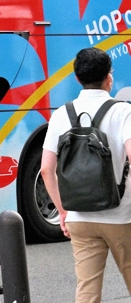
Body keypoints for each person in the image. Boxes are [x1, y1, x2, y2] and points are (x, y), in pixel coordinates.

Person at [41, 48, 131, 303]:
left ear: (78, 79)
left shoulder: (61, 114)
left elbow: (47, 168)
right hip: (122, 216)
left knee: (87, 291)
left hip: (79, 217)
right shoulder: (123, 112)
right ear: (108, 78)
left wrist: (63, 211)